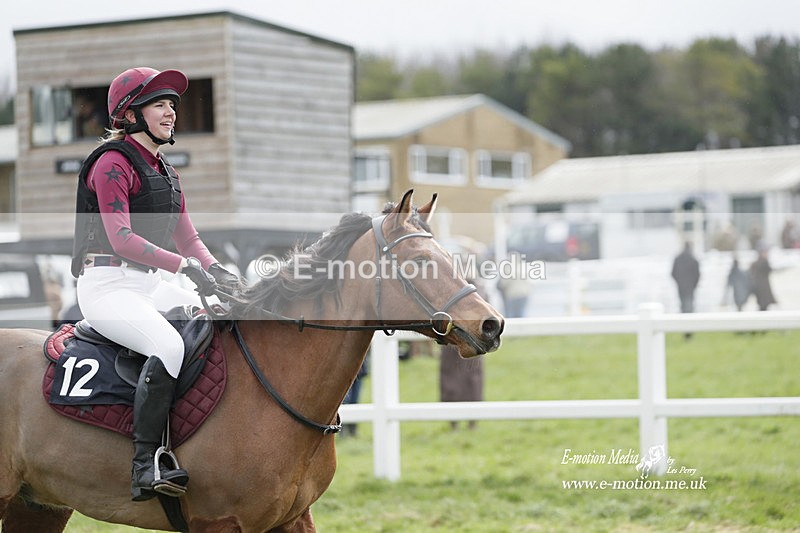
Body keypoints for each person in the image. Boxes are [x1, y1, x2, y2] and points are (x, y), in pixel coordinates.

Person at [71, 67, 239, 502]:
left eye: (172, 105)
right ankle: (146, 464)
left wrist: (217, 271)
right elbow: (121, 239)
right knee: (168, 347)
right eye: (160, 105)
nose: (171, 113)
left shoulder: (165, 170)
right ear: (131, 113)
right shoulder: (111, 163)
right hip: (106, 287)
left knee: (217, 320)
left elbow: (189, 237)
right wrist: (184, 268)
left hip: (149, 284)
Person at [671, 242, 700, 339]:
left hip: (681, 288)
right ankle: (689, 332)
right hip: (690, 288)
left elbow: (673, 273)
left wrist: (679, 282)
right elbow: (698, 275)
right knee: (689, 309)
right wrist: (693, 285)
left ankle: (685, 331)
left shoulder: (678, 259)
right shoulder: (693, 260)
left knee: (684, 309)